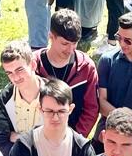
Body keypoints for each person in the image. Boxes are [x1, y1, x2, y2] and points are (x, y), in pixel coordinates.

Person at [33, 9, 100, 137]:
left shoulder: (86, 67)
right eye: (65, 43)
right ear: (51, 36)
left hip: (72, 138)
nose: (70, 50)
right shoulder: (34, 64)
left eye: (74, 43)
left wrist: (76, 138)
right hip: (38, 137)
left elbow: (91, 108)